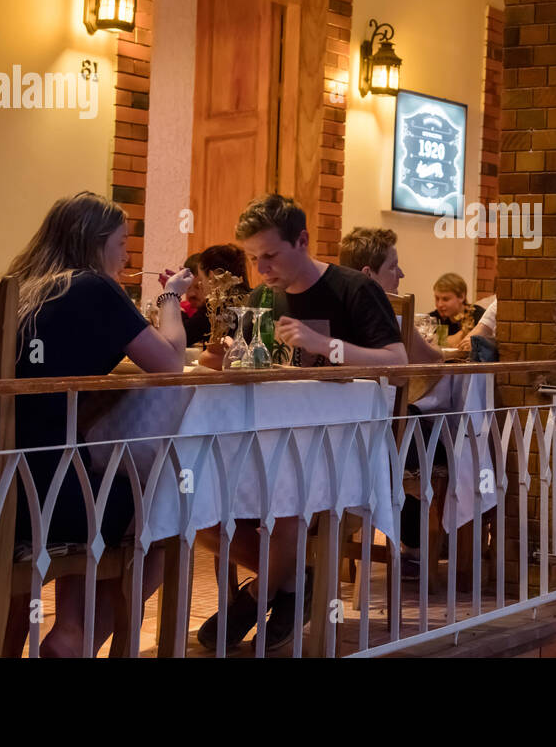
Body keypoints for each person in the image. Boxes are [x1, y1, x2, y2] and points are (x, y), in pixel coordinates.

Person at [195, 195, 406, 651]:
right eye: (253, 258)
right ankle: (291, 587)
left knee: (287, 487)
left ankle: (256, 595)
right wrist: (232, 359)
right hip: (273, 432)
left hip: (344, 439)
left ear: (303, 241)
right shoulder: (262, 299)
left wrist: (323, 344)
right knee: (195, 485)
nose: (261, 269)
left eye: (270, 255)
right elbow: (255, 369)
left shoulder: (353, 288)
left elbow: (398, 362)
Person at [0, 191, 194, 657]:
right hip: (42, 494)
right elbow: (169, 364)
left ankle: (66, 629)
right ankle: (73, 639)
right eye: (123, 243)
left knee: (98, 480)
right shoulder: (91, 287)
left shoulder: (21, 285)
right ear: (97, 241)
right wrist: (170, 298)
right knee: (167, 514)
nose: (127, 255)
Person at [339, 226, 440, 363]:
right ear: (367, 275)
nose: (401, 274)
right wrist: (435, 346)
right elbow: (430, 359)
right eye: (392, 266)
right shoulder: (389, 314)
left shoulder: (334, 305)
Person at [429, 273, 485, 350]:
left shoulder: (478, 314)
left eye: (445, 299)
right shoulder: (434, 318)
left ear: (461, 297)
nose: (439, 304)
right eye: (437, 298)